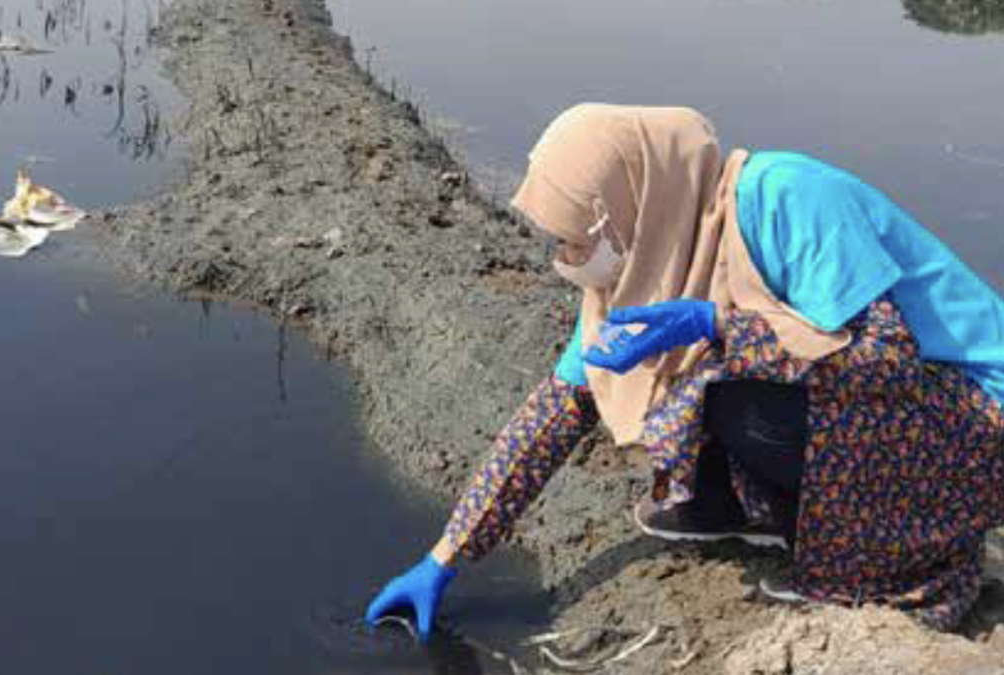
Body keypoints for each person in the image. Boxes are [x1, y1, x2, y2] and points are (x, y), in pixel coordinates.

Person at [365, 104, 1004, 640]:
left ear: (625, 204)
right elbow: (558, 410)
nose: (569, 261)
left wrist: (717, 324)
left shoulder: (785, 199)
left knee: (718, 387)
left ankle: (902, 573)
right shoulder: (648, 266)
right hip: (901, 426)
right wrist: (444, 556)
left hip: (975, 429)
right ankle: (749, 508)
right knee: (689, 379)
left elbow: (880, 364)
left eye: (578, 242)